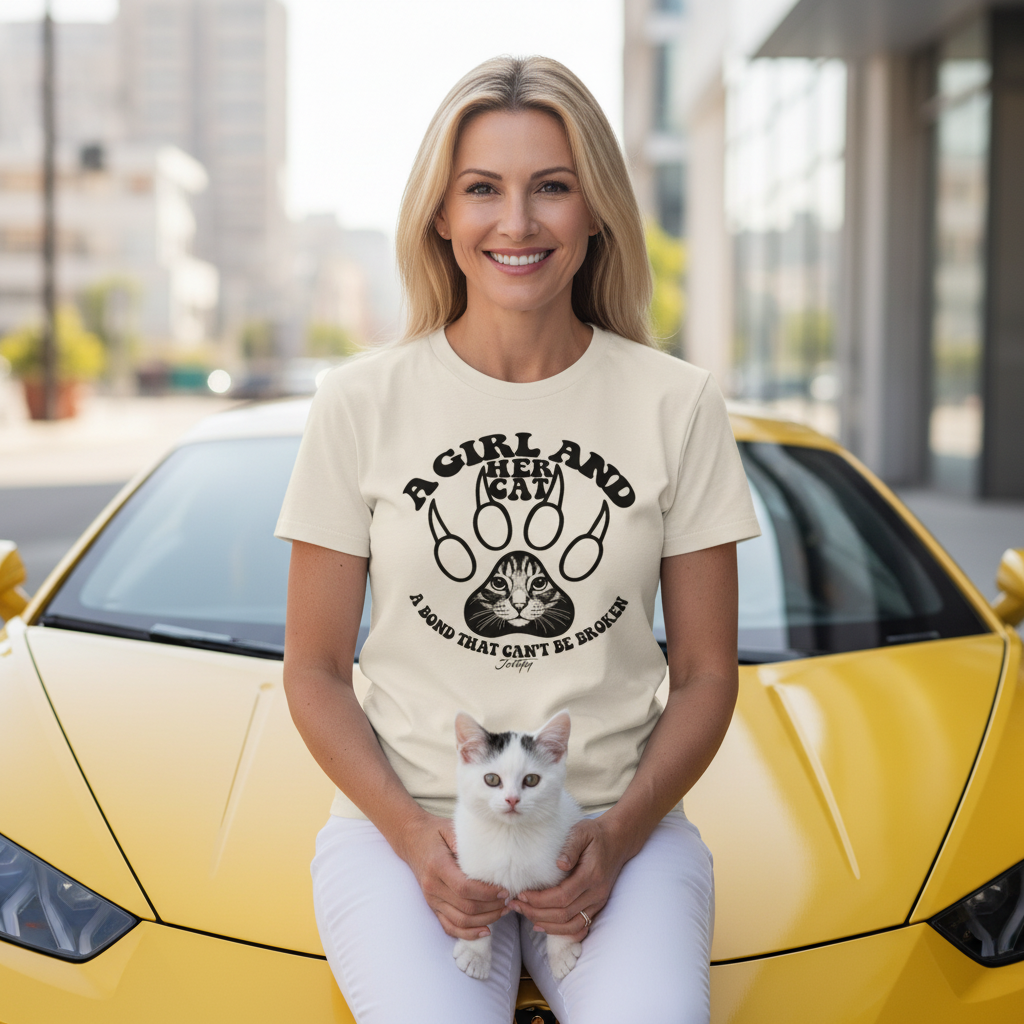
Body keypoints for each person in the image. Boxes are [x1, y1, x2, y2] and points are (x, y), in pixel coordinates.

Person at [276, 55, 760, 1024]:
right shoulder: (358, 402)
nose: (517, 222)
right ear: (441, 217)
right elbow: (315, 668)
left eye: (552, 186)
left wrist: (617, 837)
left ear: (596, 212)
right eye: (482, 189)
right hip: (402, 822)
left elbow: (707, 672)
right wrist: (416, 839)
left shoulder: (677, 402)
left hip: (619, 823)